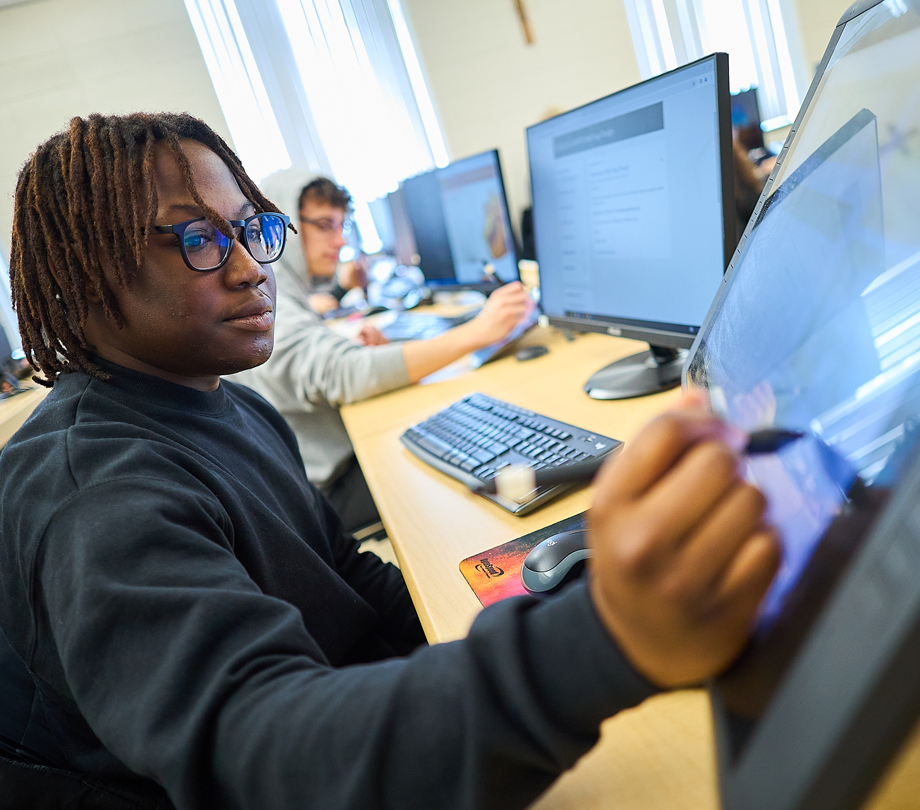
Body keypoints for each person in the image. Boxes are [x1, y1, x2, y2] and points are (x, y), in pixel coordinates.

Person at [0, 112, 780, 810]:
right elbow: (268, 762)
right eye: (200, 240)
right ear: (88, 276)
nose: (251, 268)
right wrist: (603, 639)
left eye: (249, 229)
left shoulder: (225, 403)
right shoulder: (96, 495)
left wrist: (533, 609)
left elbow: (346, 583)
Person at [232, 171, 532, 532]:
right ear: (282, 226)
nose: (340, 240)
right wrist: (476, 333)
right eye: (325, 225)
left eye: (342, 226)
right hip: (331, 488)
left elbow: (312, 361)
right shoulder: (267, 299)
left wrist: (348, 346)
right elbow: (344, 374)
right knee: (470, 461)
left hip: (320, 469)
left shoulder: (285, 293)